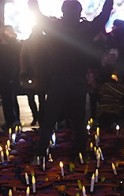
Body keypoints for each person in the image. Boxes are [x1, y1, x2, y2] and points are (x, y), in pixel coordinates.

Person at [28, 0, 113, 160]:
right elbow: (103, 16)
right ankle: (80, 151)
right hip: (78, 80)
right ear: (80, 12)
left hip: (58, 79)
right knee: (79, 120)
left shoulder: (54, 28)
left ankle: (41, 150)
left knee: (50, 118)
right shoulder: (86, 29)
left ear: (63, 11)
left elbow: (36, 13)